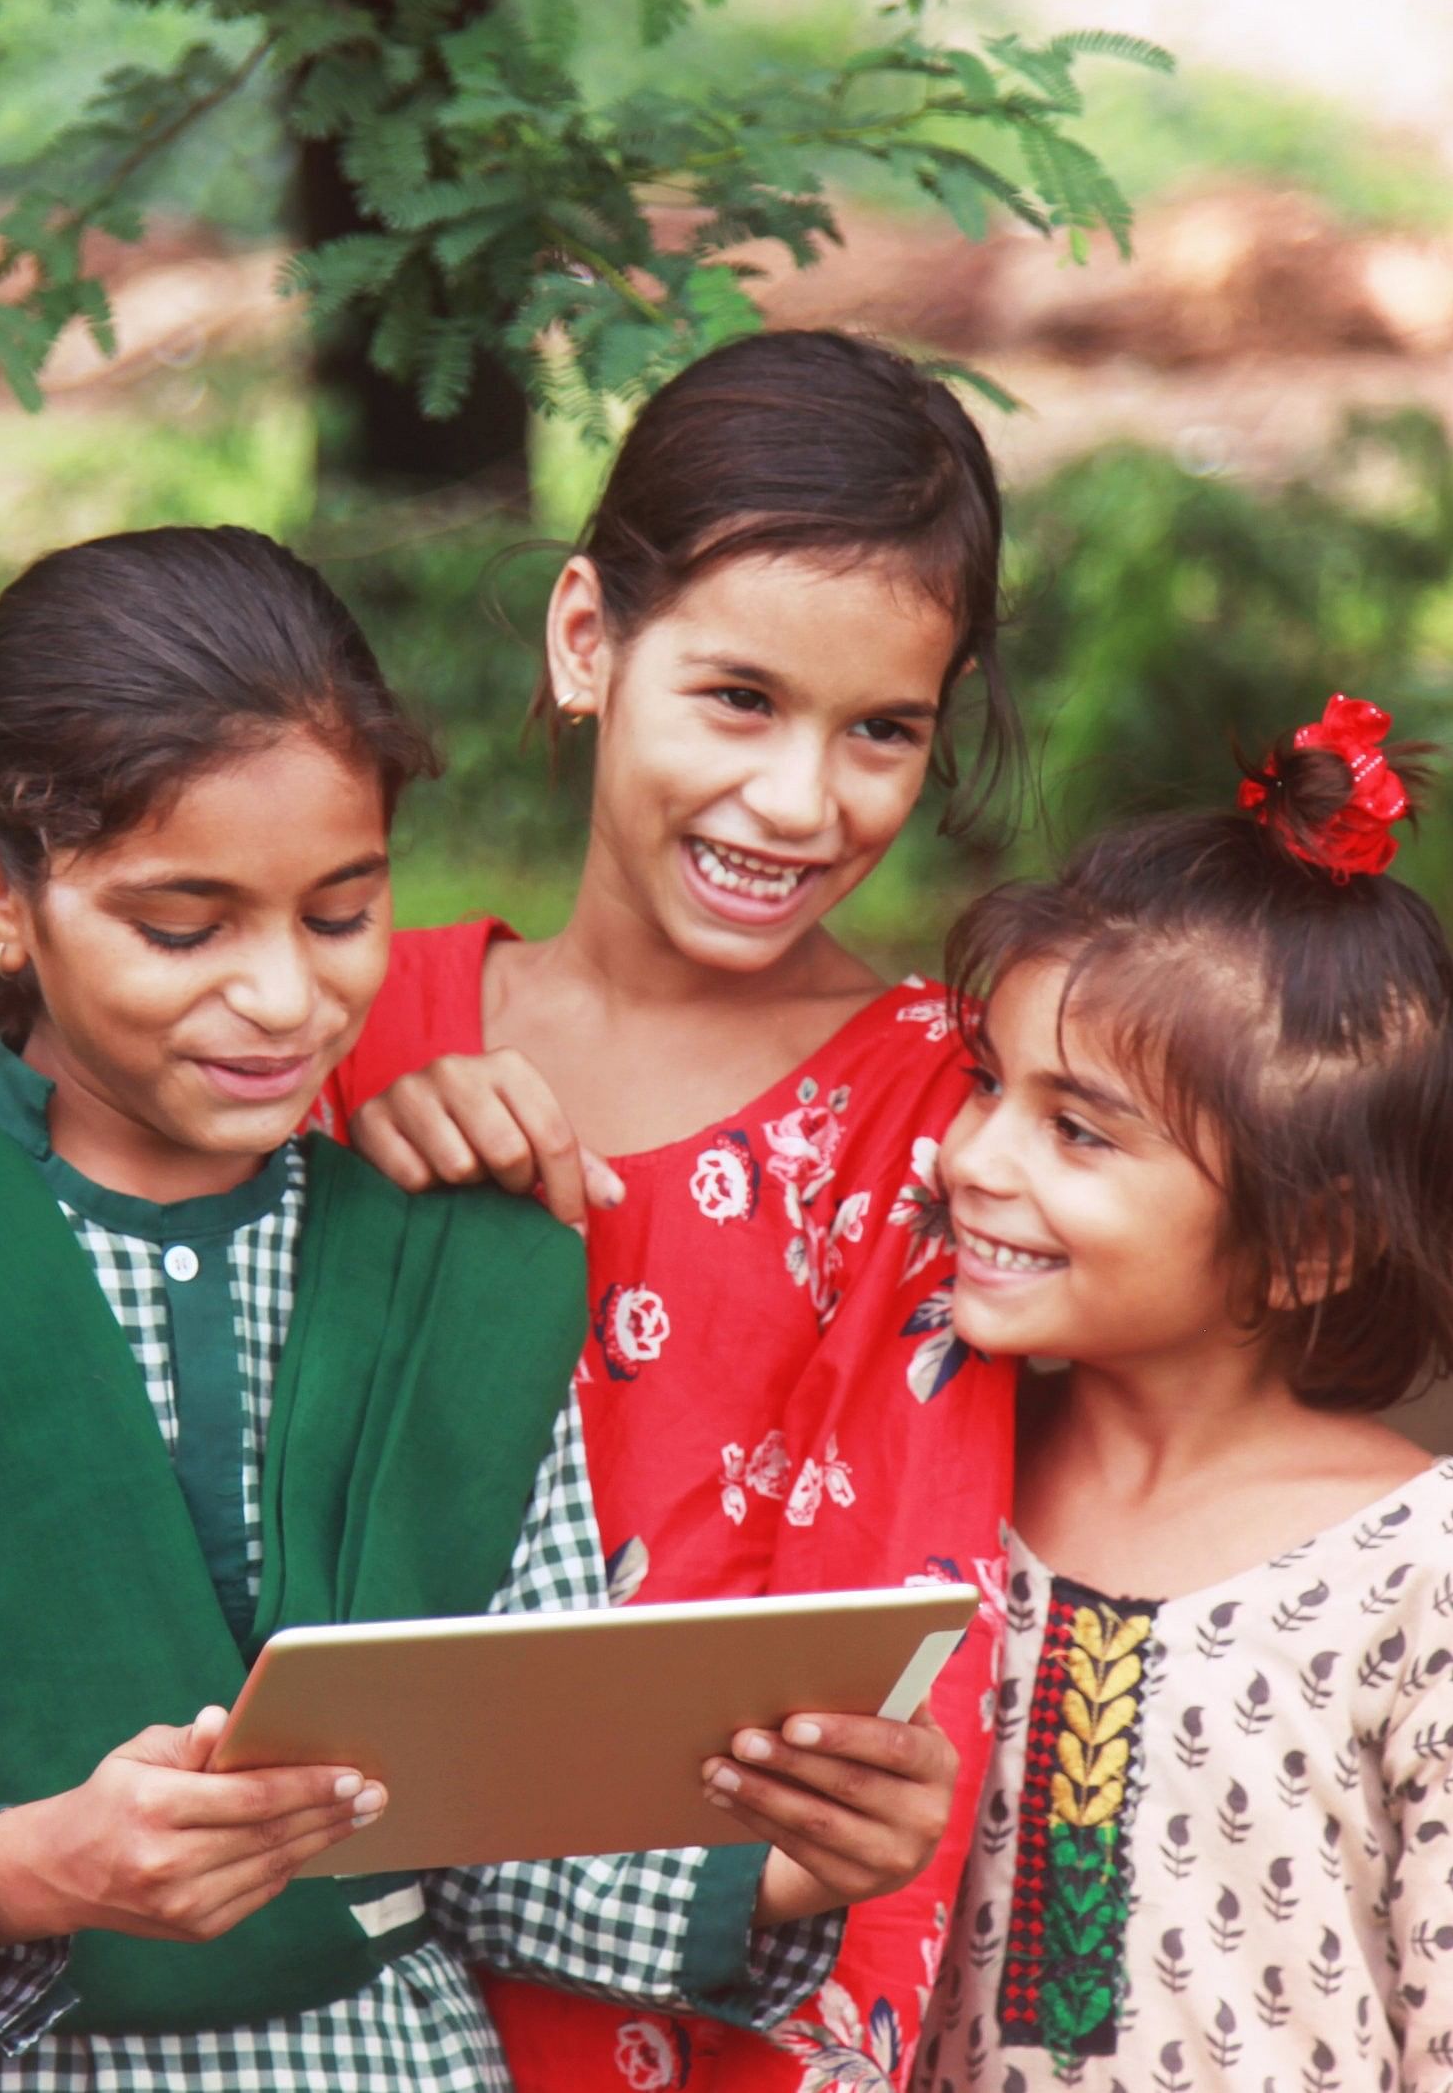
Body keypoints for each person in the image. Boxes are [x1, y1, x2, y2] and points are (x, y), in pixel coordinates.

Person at [0, 525, 960, 2092]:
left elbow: (507, 1814)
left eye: (340, 914)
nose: (285, 996)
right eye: (184, 925)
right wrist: (35, 1865)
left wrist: (794, 1862)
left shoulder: (461, 1276)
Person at [319, 329, 1020, 2090]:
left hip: (711, 2010)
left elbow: (885, 1682)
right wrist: (338, 1182)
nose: (799, 800)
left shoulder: (929, 1120)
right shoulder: (332, 1032)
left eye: (883, 733)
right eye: (739, 697)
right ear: (585, 642)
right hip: (299, 2011)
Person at [918, 697, 1453, 2093]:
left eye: (1077, 1128)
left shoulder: (1442, 1578)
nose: (974, 1156)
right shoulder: (931, 1456)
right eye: (986, 1082)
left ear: (1310, 1243)